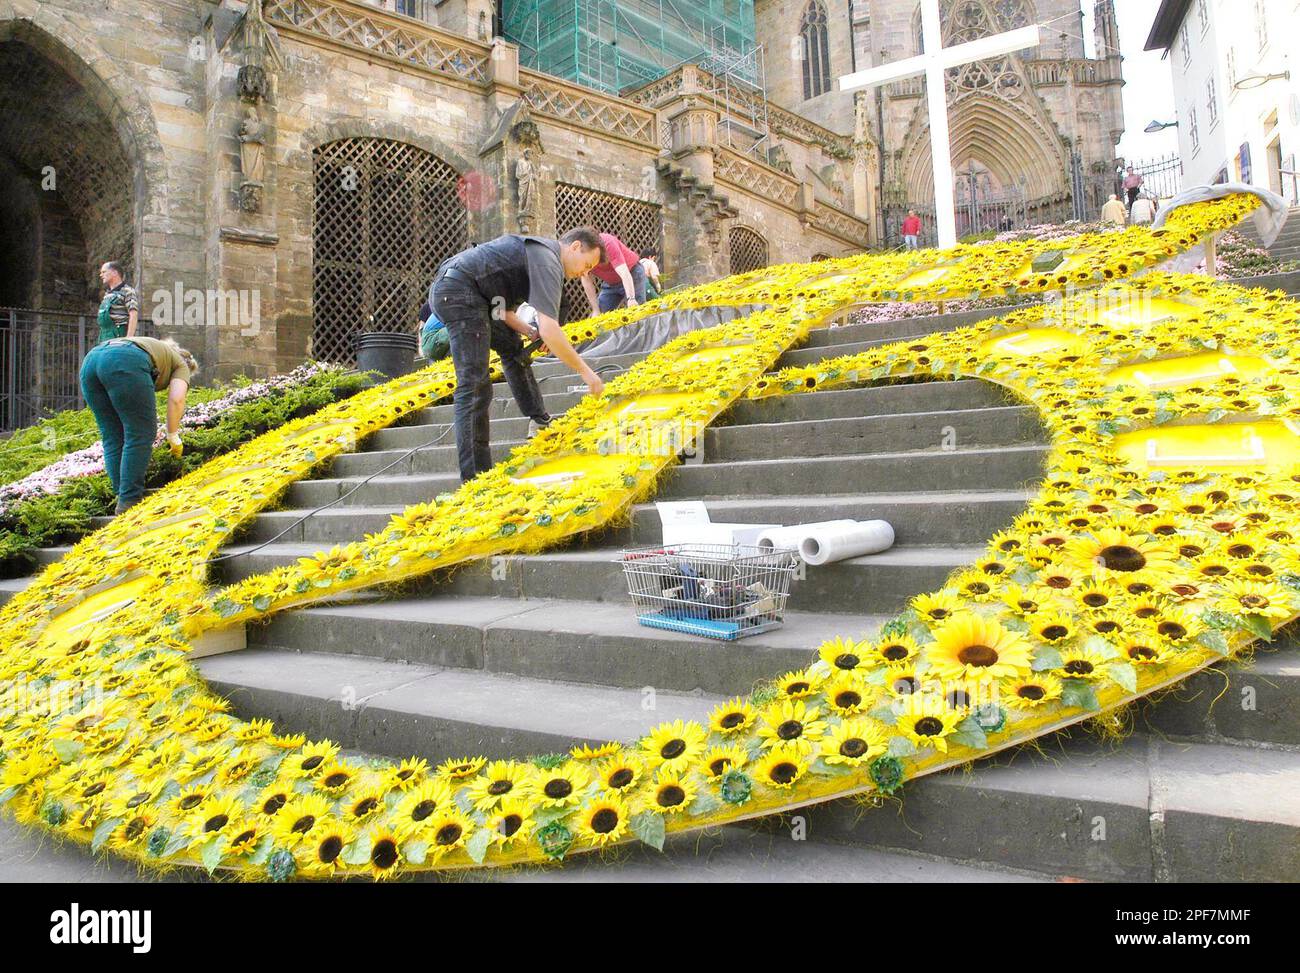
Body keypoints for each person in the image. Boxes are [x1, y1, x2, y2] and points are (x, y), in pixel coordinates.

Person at [430, 227, 607, 482]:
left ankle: (540, 418)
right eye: (587, 264)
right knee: (475, 383)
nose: (585, 273)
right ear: (575, 247)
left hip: (480, 296)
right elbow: (550, 328)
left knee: (514, 350)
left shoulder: (537, 257)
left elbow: (500, 308)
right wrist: (586, 372)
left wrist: (529, 332)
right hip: (459, 290)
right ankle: (475, 479)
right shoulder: (549, 259)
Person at [79, 336, 197, 514]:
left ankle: (122, 497)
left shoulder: (154, 349)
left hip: (91, 361)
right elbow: (177, 399)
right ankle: (130, 500)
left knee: (113, 436)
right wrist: (173, 435)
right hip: (124, 361)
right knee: (141, 432)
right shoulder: (181, 364)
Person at [581, 231, 646, 315]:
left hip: (632, 274)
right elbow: (587, 283)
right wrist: (595, 309)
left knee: (636, 313)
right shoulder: (580, 256)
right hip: (611, 282)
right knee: (599, 315)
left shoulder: (608, 243)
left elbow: (624, 273)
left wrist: (631, 299)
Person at [96, 261, 138, 344]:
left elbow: (133, 314)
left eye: (104, 272)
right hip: (104, 335)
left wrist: (128, 339)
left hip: (118, 335)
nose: (101, 275)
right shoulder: (107, 294)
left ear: (115, 273)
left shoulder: (128, 291)